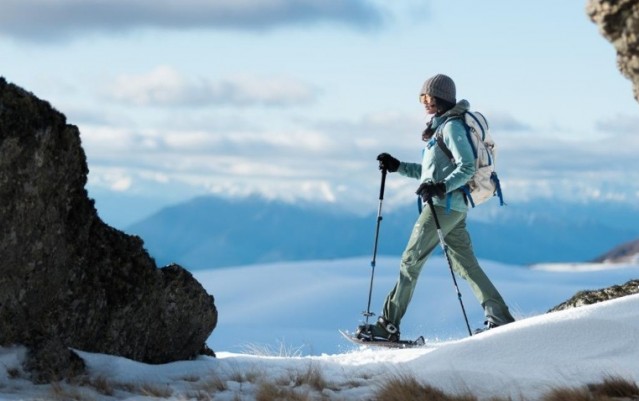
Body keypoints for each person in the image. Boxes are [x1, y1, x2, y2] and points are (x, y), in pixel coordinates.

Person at [356, 74, 514, 342]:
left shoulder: (451, 128)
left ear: (442, 98)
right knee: (465, 264)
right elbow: (430, 173)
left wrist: (441, 188)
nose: (424, 102)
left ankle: (387, 327)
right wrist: (398, 166)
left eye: (428, 96)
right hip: (453, 206)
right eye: (422, 97)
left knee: (410, 261)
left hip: (443, 206)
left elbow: (466, 168)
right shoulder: (441, 129)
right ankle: (500, 317)